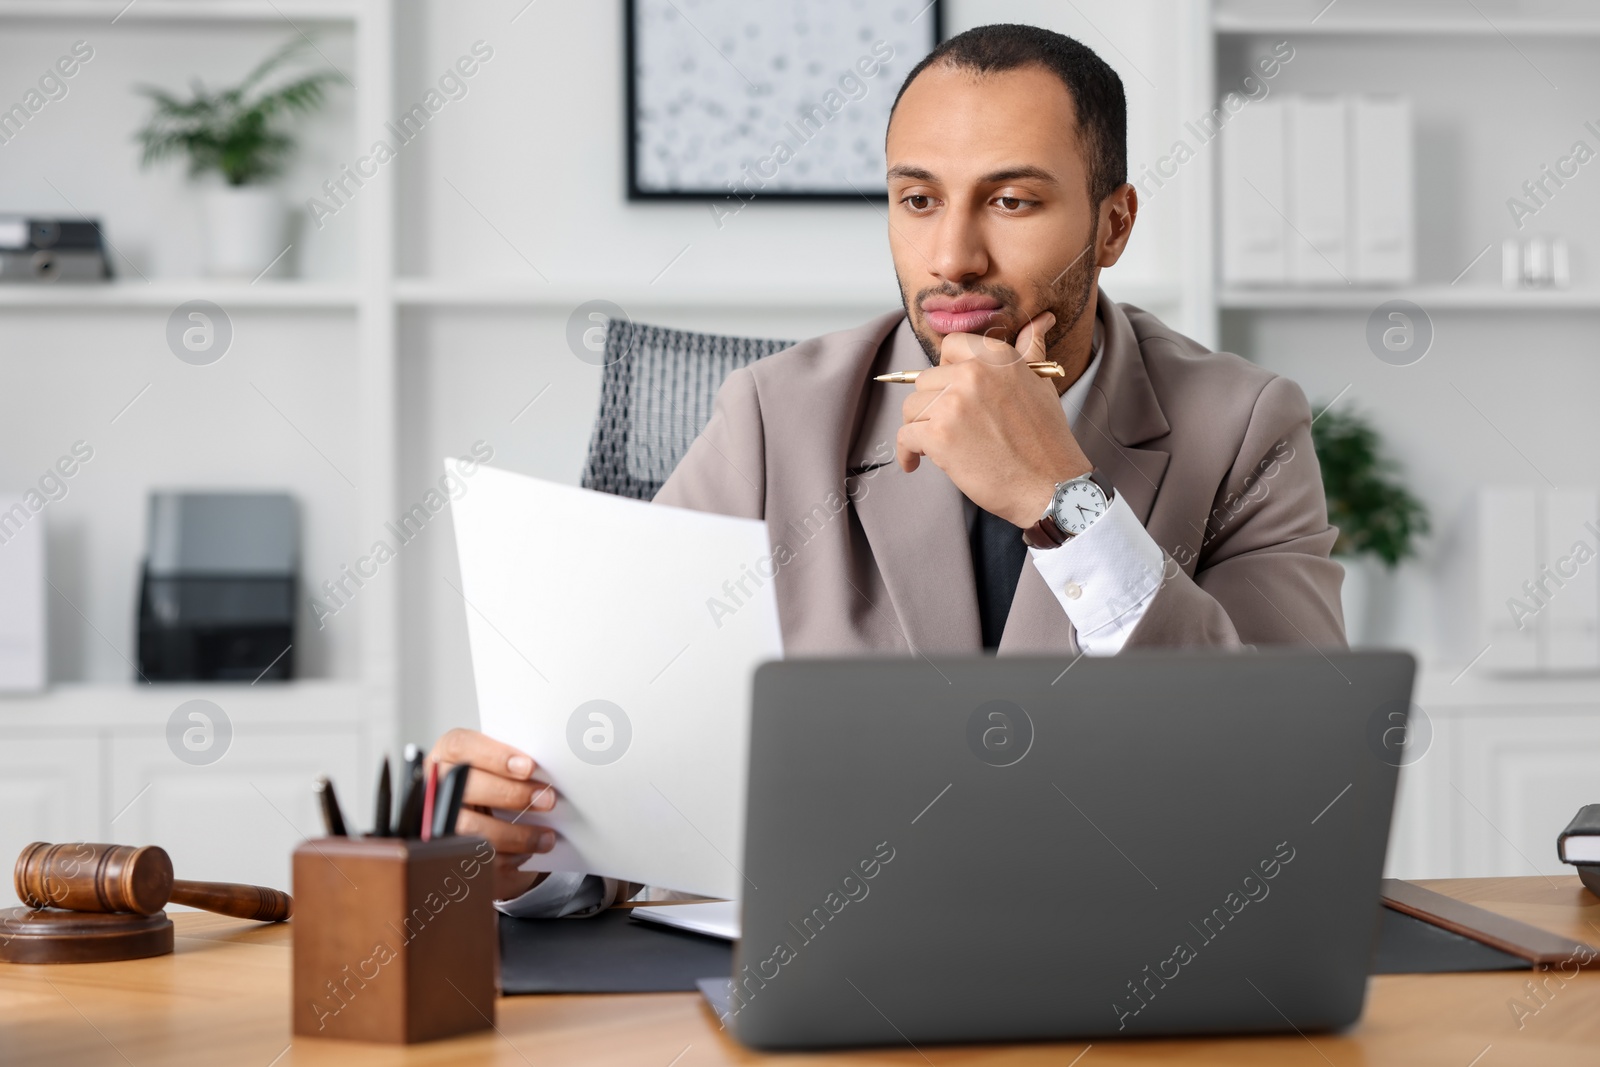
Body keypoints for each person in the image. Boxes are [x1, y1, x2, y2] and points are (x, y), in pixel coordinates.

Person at [436, 24, 1344, 911]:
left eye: (1012, 201)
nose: (952, 257)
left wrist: (1064, 503)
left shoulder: (1244, 425)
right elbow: (617, 778)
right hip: (820, 969)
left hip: (1118, 960)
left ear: (1113, 226)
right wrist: (531, 845)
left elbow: (1298, 777)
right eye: (918, 201)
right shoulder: (772, 416)